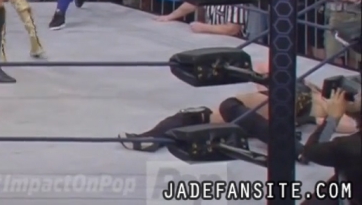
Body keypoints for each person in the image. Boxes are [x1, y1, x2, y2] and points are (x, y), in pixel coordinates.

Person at [119, 73, 358, 153]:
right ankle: (151, 138)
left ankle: (151, 140)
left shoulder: (322, 110)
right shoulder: (308, 87)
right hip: (249, 110)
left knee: (213, 112)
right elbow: (264, 70)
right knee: (199, 115)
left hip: (258, 117)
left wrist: (334, 113)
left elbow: (349, 126)